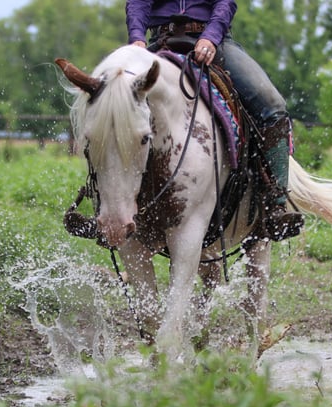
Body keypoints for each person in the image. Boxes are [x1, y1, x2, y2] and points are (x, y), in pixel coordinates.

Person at [126, 0, 305, 241]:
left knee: (273, 107)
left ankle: (275, 204)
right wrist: (137, 38)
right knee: (113, 99)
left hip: (214, 41)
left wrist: (210, 36)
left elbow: (224, 3)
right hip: (161, 39)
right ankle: (103, 204)